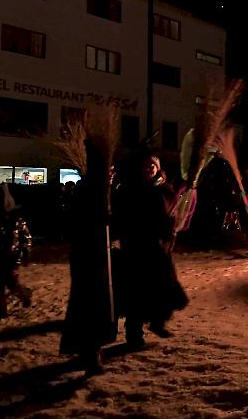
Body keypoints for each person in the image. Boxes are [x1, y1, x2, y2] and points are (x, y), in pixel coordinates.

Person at [59, 139, 118, 375]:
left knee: (90, 305)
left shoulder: (96, 190)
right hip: (90, 260)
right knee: (91, 305)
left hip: (92, 257)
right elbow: (86, 223)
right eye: (110, 171)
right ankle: (90, 354)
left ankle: (88, 351)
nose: (112, 175)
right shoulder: (91, 191)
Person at [118, 154, 189, 346]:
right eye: (146, 165)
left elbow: (173, 213)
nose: (149, 168)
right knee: (136, 293)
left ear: (158, 168)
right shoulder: (133, 189)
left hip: (159, 249)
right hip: (137, 248)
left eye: (152, 165)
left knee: (166, 288)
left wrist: (172, 226)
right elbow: (125, 215)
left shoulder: (166, 190)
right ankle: (134, 335)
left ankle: (158, 322)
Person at [0, 183, 33, 320]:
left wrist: (25, 255)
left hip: (11, 257)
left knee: (11, 283)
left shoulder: (17, 222)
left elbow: (26, 240)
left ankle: (25, 295)